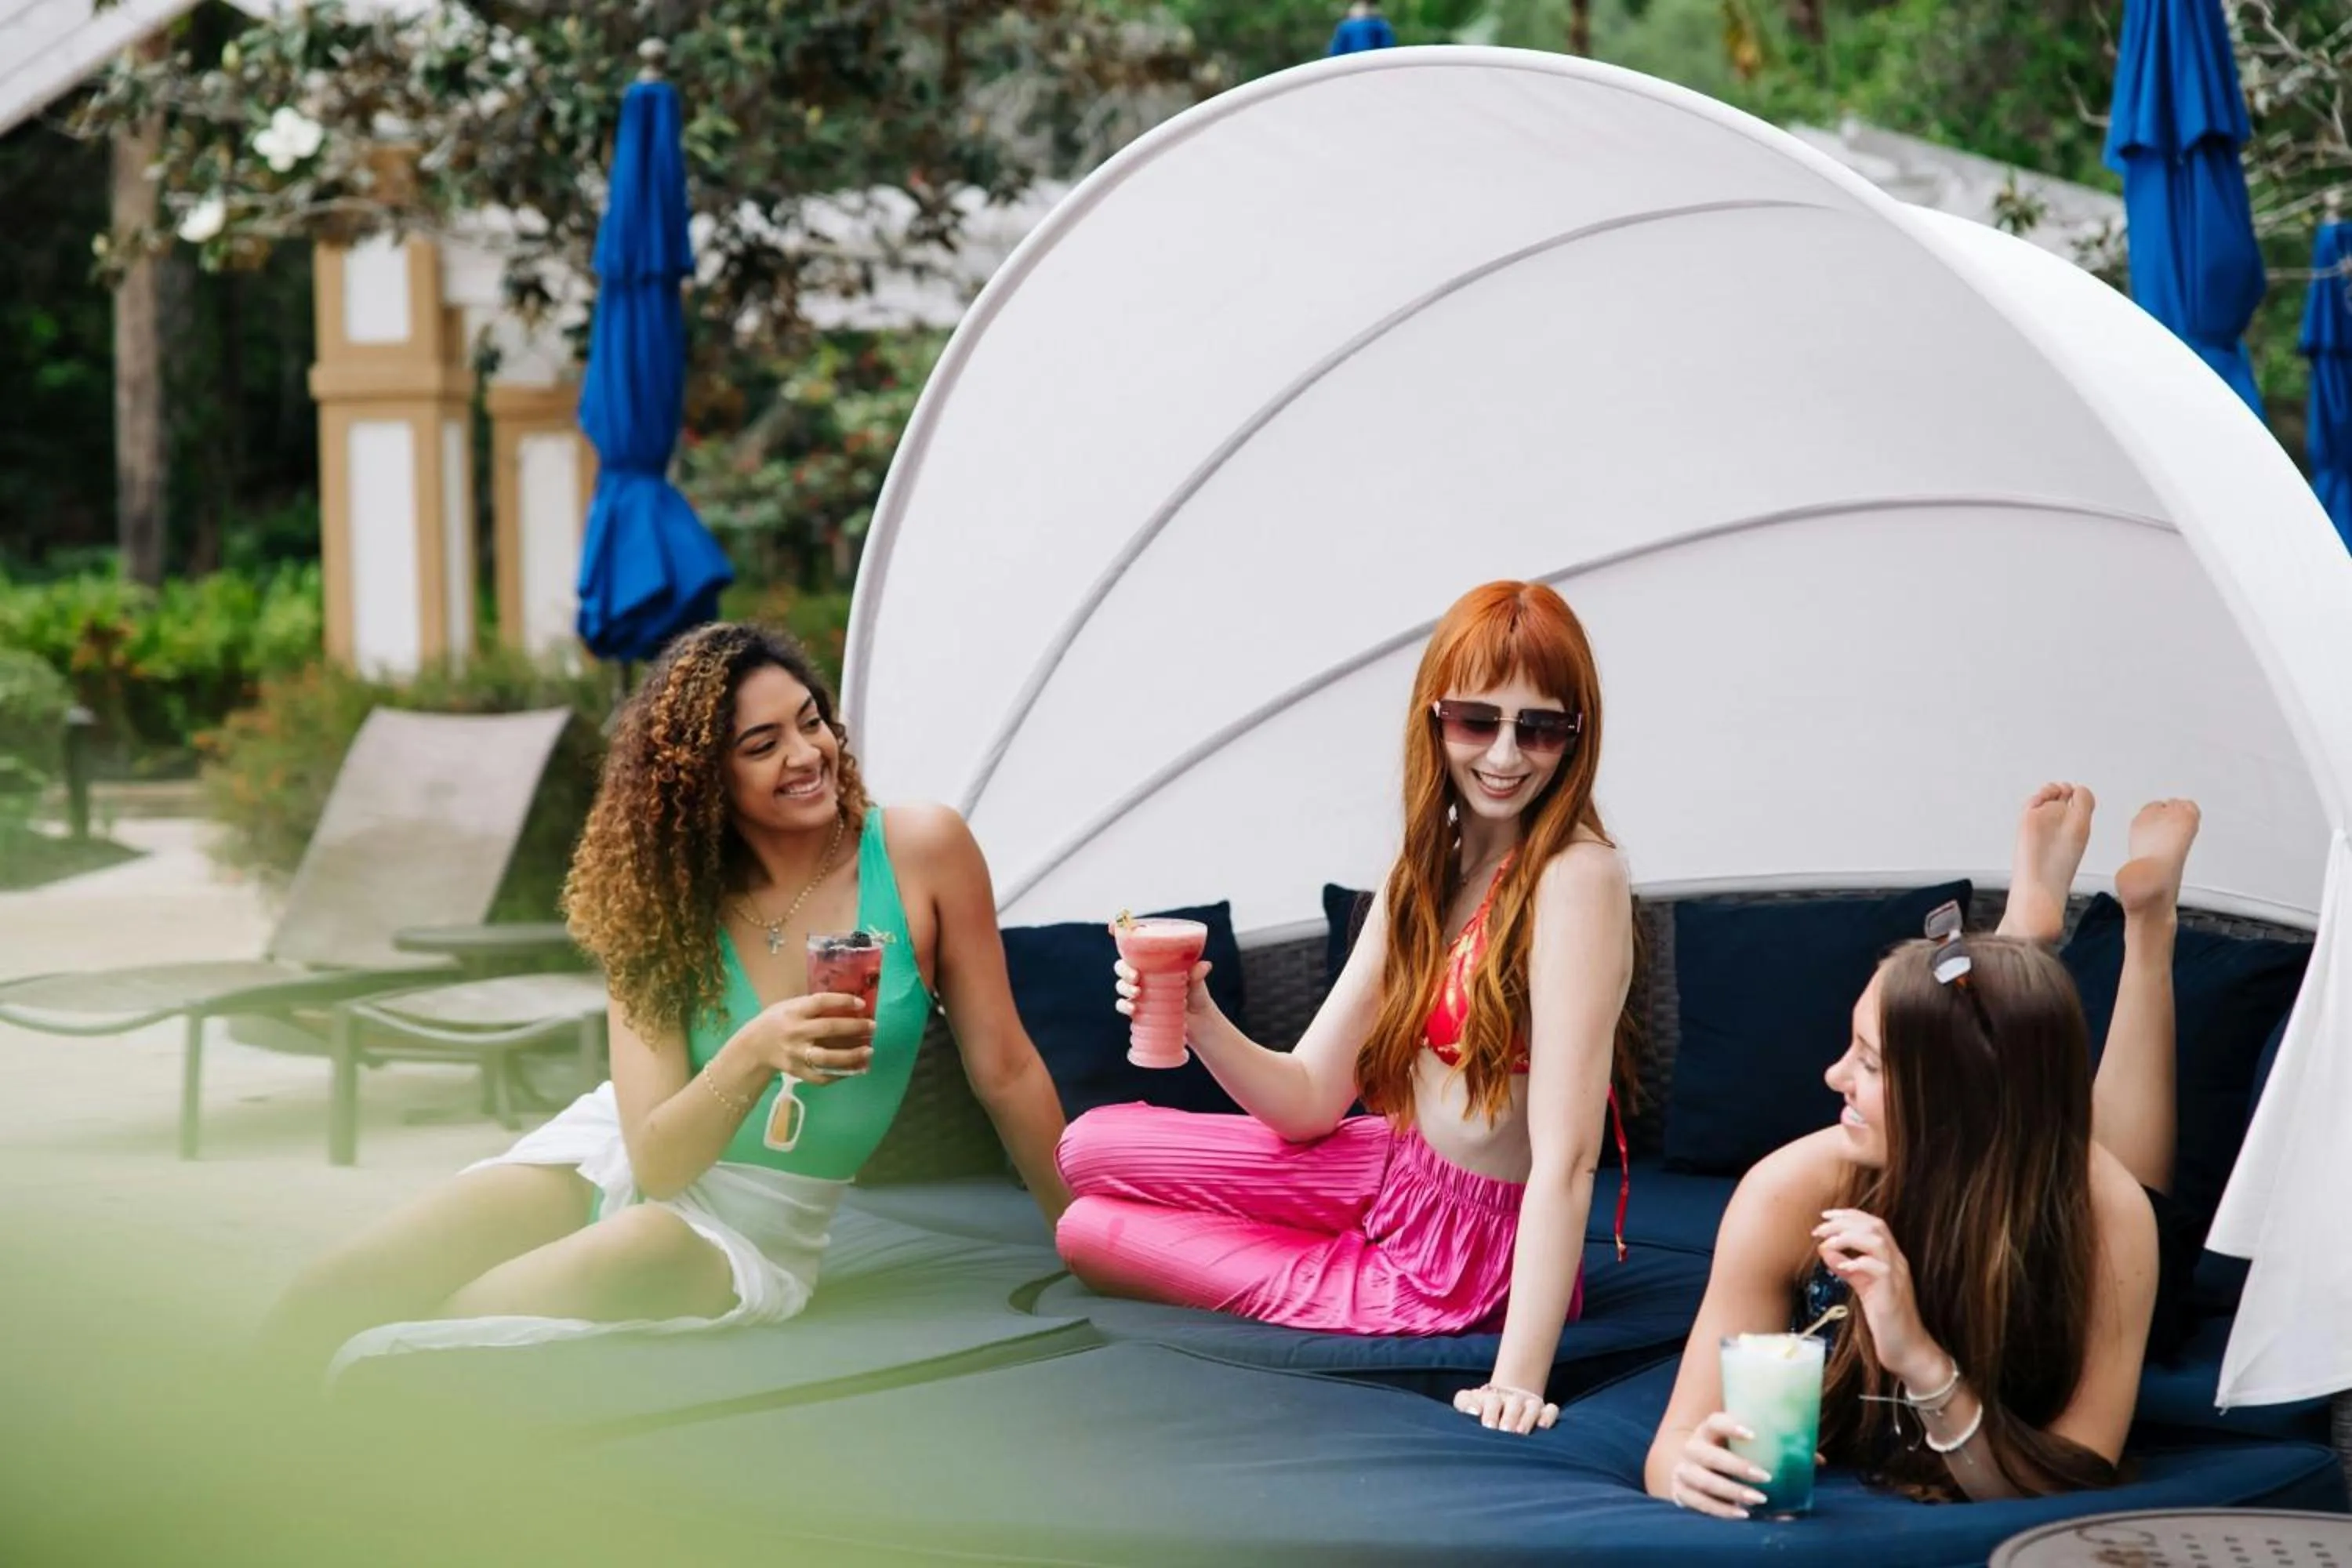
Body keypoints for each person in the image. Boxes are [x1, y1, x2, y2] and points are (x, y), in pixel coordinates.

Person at [262, 623, 1071, 1371]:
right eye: (763, 743)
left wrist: (1087, 1244)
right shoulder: (660, 899)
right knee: (335, 1290)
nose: (807, 752)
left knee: (624, 1250)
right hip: (616, 1149)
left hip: (754, 1224)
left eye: (811, 719)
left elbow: (1005, 1068)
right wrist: (758, 1047)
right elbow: (653, 1156)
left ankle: (364, 1389)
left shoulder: (921, 849)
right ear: (702, 776)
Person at [1053, 580, 1638, 1436]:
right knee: (1088, 1144)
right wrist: (1199, 1008)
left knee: (1091, 1233)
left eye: (1541, 727)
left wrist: (1516, 1378)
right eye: (1479, 720)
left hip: (1464, 1256)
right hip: (1387, 1168)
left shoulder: (1578, 877)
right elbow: (1307, 1100)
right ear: (1435, 719)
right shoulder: (1426, 868)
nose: (1507, 755)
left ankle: (1352, 1265)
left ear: (1573, 738)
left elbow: (1570, 1158)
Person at [1648, 785, 2203, 1511]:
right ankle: (2009, 955)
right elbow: (1672, 1449)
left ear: (1951, 1097)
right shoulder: (1789, 1188)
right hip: (1991, 1123)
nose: (1832, 1076)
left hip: (2053, 1188)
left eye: (1870, 1063)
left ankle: (2148, 929)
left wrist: (1919, 1359)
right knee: (2036, 1105)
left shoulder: (2108, 1214)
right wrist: (1685, 1473)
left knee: (2116, 1175)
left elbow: (2073, 1475)